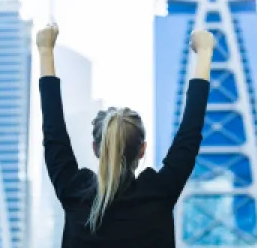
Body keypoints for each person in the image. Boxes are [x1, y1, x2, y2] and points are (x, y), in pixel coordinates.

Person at [37, 24, 214, 248]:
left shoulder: (75, 193)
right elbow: (190, 131)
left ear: (95, 148)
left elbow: (53, 133)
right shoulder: (158, 193)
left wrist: (45, 50)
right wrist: (205, 53)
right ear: (142, 150)